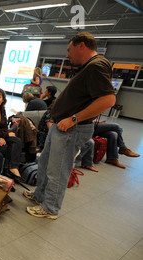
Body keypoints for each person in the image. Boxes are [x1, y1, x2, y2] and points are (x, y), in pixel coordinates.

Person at [23, 32, 116, 220]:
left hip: (70, 129)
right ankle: (40, 195)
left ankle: (50, 208)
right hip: (59, 127)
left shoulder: (96, 67)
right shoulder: (88, 67)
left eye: (69, 49)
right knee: (45, 163)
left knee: (58, 170)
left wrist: (73, 119)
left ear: (81, 45)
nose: (67, 55)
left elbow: (108, 99)